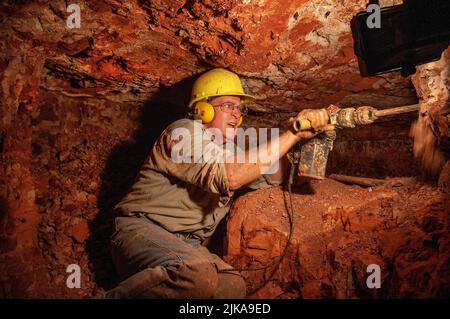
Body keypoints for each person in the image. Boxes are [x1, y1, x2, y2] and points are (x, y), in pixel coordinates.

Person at [101, 68, 333, 298]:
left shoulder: (230, 150)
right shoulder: (182, 133)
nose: (236, 114)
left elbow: (272, 177)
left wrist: (294, 135)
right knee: (195, 274)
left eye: (239, 108)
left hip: (188, 244)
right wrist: (292, 134)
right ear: (202, 110)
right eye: (228, 106)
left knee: (231, 287)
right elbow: (231, 176)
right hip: (141, 232)